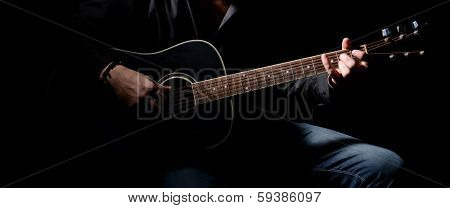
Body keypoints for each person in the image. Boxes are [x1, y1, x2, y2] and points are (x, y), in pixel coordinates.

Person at [66, 0, 403, 187]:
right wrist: (109, 71)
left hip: (245, 131)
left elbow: (284, 80)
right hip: (159, 149)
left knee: (380, 164)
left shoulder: (262, 15)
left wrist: (330, 79)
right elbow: (61, 34)